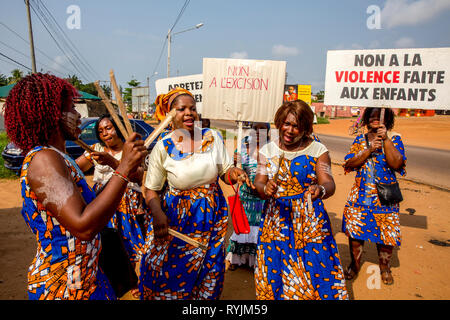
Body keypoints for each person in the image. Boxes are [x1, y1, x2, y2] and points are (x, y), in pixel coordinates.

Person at [3, 73, 147, 300]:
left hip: (86, 278)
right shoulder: (43, 159)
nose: (78, 116)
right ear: (51, 114)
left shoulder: (60, 157)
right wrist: (124, 168)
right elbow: (83, 226)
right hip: (65, 286)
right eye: (71, 108)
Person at [138, 87, 253, 300]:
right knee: (173, 270)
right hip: (177, 221)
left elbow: (225, 172)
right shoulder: (163, 147)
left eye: (193, 108)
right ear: (170, 114)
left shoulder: (213, 138)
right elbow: (151, 189)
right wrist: (157, 213)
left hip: (212, 218)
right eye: (181, 109)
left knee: (210, 269)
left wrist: (235, 174)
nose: (189, 113)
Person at [253, 99, 348, 300]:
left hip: (309, 222)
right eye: (286, 124)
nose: (289, 130)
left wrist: (320, 189)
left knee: (316, 269)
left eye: (296, 126)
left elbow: (329, 182)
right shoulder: (266, 151)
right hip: (276, 222)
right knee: (276, 269)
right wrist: (265, 187)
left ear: (305, 128)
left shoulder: (318, 151)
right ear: (279, 123)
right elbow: (259, 182)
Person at [342, 107, 406, 285]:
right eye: (372, 116)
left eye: (379, 117)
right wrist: (369, 150)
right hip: (360, 196)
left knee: (386, 236)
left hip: (385, 197)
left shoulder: (394, 138)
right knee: (355, 234)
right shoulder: (359, 140)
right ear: (366, 119)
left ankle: (384, 267)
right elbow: (349, 163)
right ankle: (354, 265)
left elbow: (396, 163)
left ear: (388, 120)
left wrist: (385, 140)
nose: (375, 119)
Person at [75, 114, 148, 271]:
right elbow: (74, 169)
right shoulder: (96, 150)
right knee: (107, 241)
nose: (105, 133)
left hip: (128, 203)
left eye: (109, 128)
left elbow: (138, 177)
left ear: (118, 128)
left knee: (129, 240)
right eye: (101, 131)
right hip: (103, 201)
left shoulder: (132, 149)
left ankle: (131, 278)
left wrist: (112, 162)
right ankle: (115, 279)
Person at [226, 122, 270, 270]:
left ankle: (255, 260)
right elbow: (234, 170)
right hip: (245, 195)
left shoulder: (272, 149)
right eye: (255, 129)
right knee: (241, 227)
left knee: (259, 228)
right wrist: (235, 163)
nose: (258, 132)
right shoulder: (243, 148)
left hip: (262, 197)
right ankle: (236, 259)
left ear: (268, 132)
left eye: (262, 129)